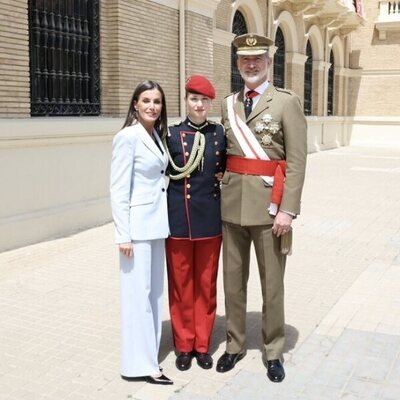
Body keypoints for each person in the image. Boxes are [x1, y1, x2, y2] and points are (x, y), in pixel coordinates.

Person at [216, 33, 307, 382]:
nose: (251, 65)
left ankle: (273, 351)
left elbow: (297, 162)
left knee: (272, 285)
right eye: (244, 60)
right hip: (231, 206)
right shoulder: (229, 104)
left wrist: (288, 209)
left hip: (271, 210)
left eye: (257, 59)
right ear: (238, 64)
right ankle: (235, 344)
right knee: (233, 283)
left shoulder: (286, 102)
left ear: (269, 62)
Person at [110, 80, 173, 385]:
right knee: (137, 297)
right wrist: (123, 235)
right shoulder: (127, 137)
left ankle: (147, 356)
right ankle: (142, 366)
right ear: (135, 104)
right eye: (146, 100)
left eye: (157, 101)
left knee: (154, 296)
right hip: (136, 230)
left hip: (157, 226)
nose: (152, 106)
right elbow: (118, 189)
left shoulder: (157, 136)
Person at [164, 75, 226, 371]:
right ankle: (183, 345)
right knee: (180, 285)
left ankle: (202, 345)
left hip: (210, 219)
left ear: (210, 103)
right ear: (186, 100)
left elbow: (226, 169)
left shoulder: (219, 134)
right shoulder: (171, 134)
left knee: (206, 285)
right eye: (193, 99)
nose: (199, 104)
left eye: (204, 100)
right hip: (178, 220)